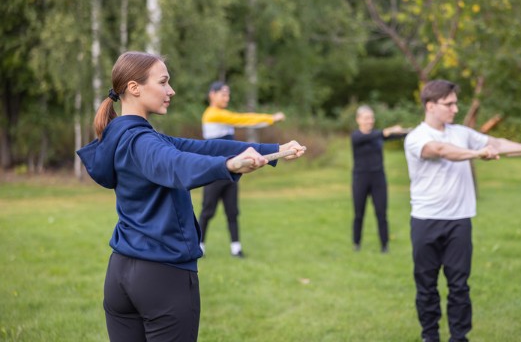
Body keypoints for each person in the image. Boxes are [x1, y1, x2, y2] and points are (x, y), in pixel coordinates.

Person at [76, 51, 305, 342]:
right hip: (162, 276)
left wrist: (271, 150)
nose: (170, 90)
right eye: (163, 82)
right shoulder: (143, 141)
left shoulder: (123, 135)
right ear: (134, 87)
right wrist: (229, 166)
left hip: (120, 273)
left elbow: (203, 149)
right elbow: (175, 165)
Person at [403, 79, 521, 342]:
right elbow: (439, 151)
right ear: (430, 105)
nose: (455, 108)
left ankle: (459, 338)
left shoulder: (462, 132)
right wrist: (477, 154)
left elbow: (497, 143)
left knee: (459, 286)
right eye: (449, 104)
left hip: (459, 221)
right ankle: (430, 336)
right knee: (426, 287)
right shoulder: (417, 137)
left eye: (455, 103)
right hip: (425, 221)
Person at [199, 81, 285, 258]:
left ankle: (236, 249)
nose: (227, 97)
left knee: (232, 210)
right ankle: (199, 247)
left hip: (232, 170)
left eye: (228, 94)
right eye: (223, 94)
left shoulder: (223, 114)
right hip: (215, 171)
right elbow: (243, 119)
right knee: (207, 211)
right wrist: (271, 118)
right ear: (212, 95)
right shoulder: (212, 114)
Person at [350, 105, 407, 253]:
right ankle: (356, 243)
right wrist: (387, 131)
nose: (370, 121)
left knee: (382, 213)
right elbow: (372, 136)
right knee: (359, 213)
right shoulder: (356, 136)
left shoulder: (378, 135)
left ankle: (385, 245)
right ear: (358, 120)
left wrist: (406, 131)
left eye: (371, 118)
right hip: (360, 178)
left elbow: (395, 135)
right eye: (366, 118)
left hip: (378, 178)